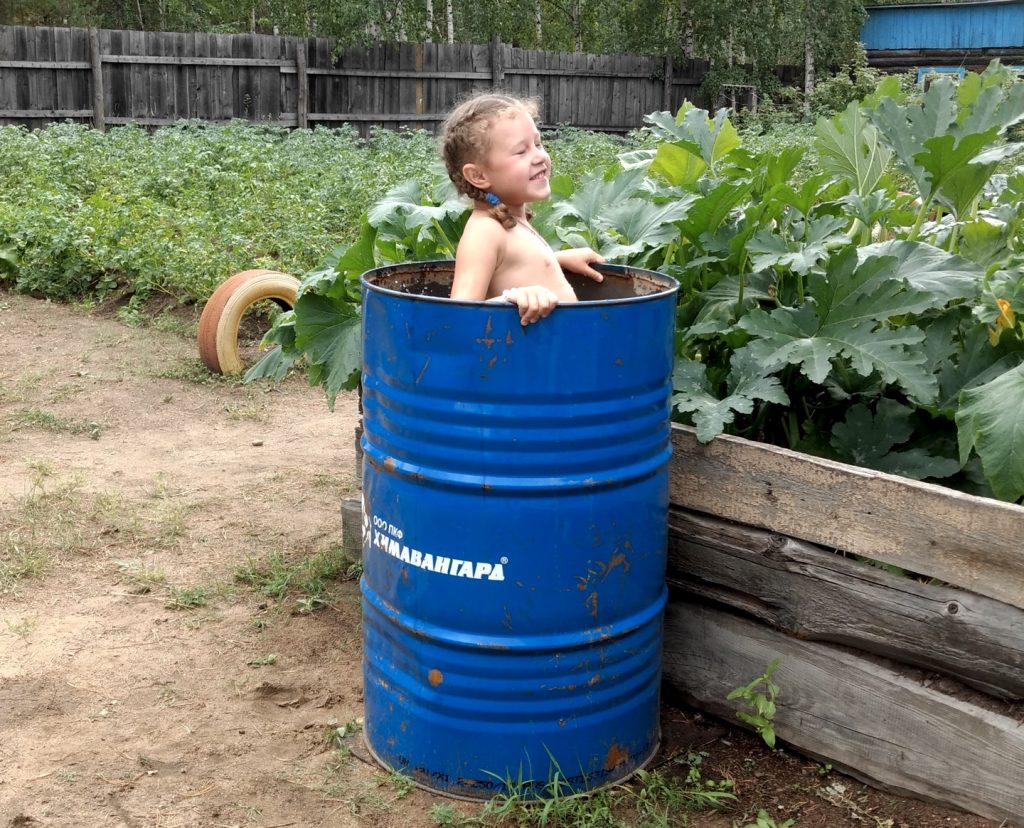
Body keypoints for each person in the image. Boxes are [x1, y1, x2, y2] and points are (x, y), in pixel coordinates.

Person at [439, 92, 606, 324]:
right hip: (524, 359)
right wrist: (512, 298)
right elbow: (459, 314)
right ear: (478, 175)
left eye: (538, 143)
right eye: (521, 151)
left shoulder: (511, 219)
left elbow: (510, 267)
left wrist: (553, 260)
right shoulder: (484, 231)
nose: (539, 156)